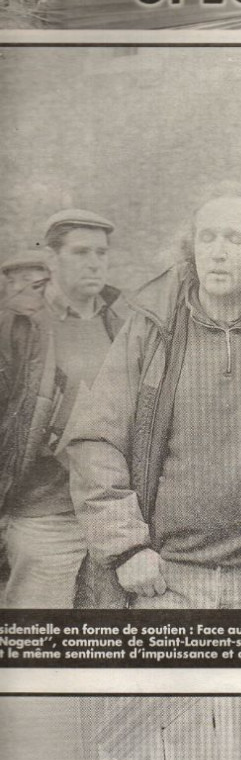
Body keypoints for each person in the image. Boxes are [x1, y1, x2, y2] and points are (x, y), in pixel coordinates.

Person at [68, 182, 241, 609]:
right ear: (192, 248)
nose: (218, 251)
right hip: (165, 577)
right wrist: (126, 547)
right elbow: (94, 440)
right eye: (208, 236)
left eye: (235, 238)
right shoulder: (153, 327)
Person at [0, 212, 126, 608]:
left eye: (101, 253)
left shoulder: (118, 324)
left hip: (109, 522)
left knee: (101, 653)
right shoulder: (20, 325)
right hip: (43, 518)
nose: (94, 262)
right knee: (38, 650)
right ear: (51, 259)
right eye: (80, 252)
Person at [0, 253, 50, 317]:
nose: (16, 287)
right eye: (11, 281)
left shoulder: (61, 315)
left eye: (26, 279)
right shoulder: (5, 316)